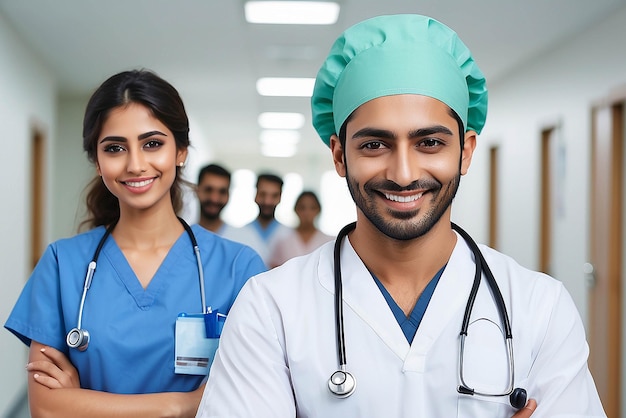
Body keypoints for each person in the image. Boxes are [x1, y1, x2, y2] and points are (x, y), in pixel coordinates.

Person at [195, 14, 605, 418]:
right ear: (339, 155)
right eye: (375, 144)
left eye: (429, 142)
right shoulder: (271, 308)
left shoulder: (539, 307)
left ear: (465, 151)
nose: (403, 174)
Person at [4, 69, 265, 418]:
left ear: (181, 151)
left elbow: (251, 401)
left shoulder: (238, 268)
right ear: (97, 161)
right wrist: (182, 404)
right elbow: (47, 409)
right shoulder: (62, 264)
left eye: (152, 143)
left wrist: (81, 402)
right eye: (115, 148)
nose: (136, 164)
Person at [223, 172, 290, 267]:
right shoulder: (240, 233)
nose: (267, 201)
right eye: (263, 194)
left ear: (280, 198)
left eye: (274, 196)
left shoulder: (289, 234)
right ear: (256, 195)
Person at [269, 190, 333, 268]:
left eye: (312, 208)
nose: (307, 213)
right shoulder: (283, 241)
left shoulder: (329, 242)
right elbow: (274, 270)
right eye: (302, 208)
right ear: (296, 210)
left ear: (318, 210)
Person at [196, 163, 238, 236]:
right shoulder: (182, 237)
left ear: (228, 195)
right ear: (197, 190)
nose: (214, 199)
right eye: (208, 190)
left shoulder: (242, 240)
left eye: (222, 192)